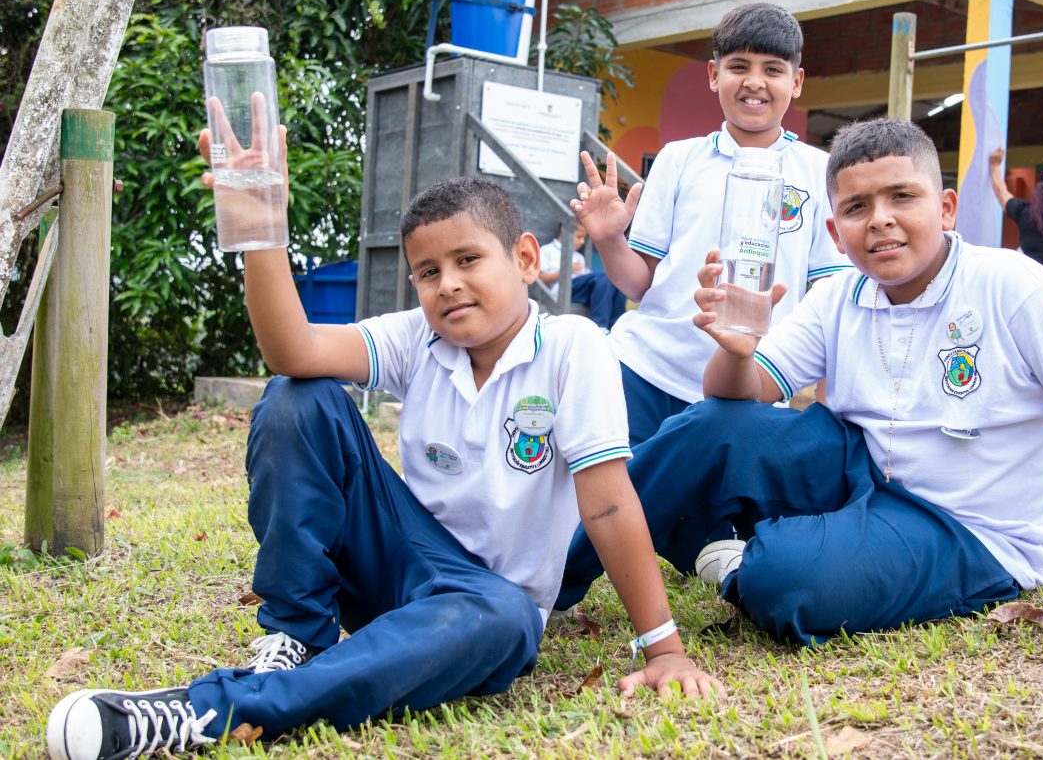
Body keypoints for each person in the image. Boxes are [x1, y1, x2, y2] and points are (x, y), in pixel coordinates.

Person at [46, 111, 720, 760]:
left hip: (482, 606)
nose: (447, 284)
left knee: (509, 618)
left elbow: (607, 504)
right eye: (428, 272)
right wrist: (259, 232)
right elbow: (293, 350)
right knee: (298, 396)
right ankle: (297, 635)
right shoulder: (418, 338)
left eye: (467, 259)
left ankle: (208, 712)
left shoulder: (574, 346)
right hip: (397, 561)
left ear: (522, 259)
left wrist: (664, 648)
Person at [558, 118, 1043, 643]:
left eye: (903, 197)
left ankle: (748, 558)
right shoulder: (840, 294)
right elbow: (733, 400)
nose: (881, 220)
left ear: (946, 208)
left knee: (782, 579)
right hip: (859, 467)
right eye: (857, 207)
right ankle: (550, 581)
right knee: (707, 427)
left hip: (966, 526)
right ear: (834, 231)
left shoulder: (1019, 290)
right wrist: (737, 347)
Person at [571, 2, 853, 448]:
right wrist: (608, 239)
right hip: (644, 372)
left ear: (796, 82)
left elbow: (830, 298)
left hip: (748, 389)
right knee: (624, 489)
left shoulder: (820, 173)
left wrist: (824, 398)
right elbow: (640, 285)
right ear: (713, 75)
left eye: (773, 69)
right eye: (738, 66)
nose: (754, 81)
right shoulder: (679, 159)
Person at [539, 222, 626, 329]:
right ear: (565, 232)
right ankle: (600, 325)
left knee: (614, 282)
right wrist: (567, 271)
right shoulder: (547, 250)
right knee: (602, 277)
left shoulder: (579, 256)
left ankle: (617, 326)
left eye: (584, 238)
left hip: (581, 290)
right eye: (579, 237)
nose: (582, 242)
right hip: (560, 290)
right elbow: (540, 279)